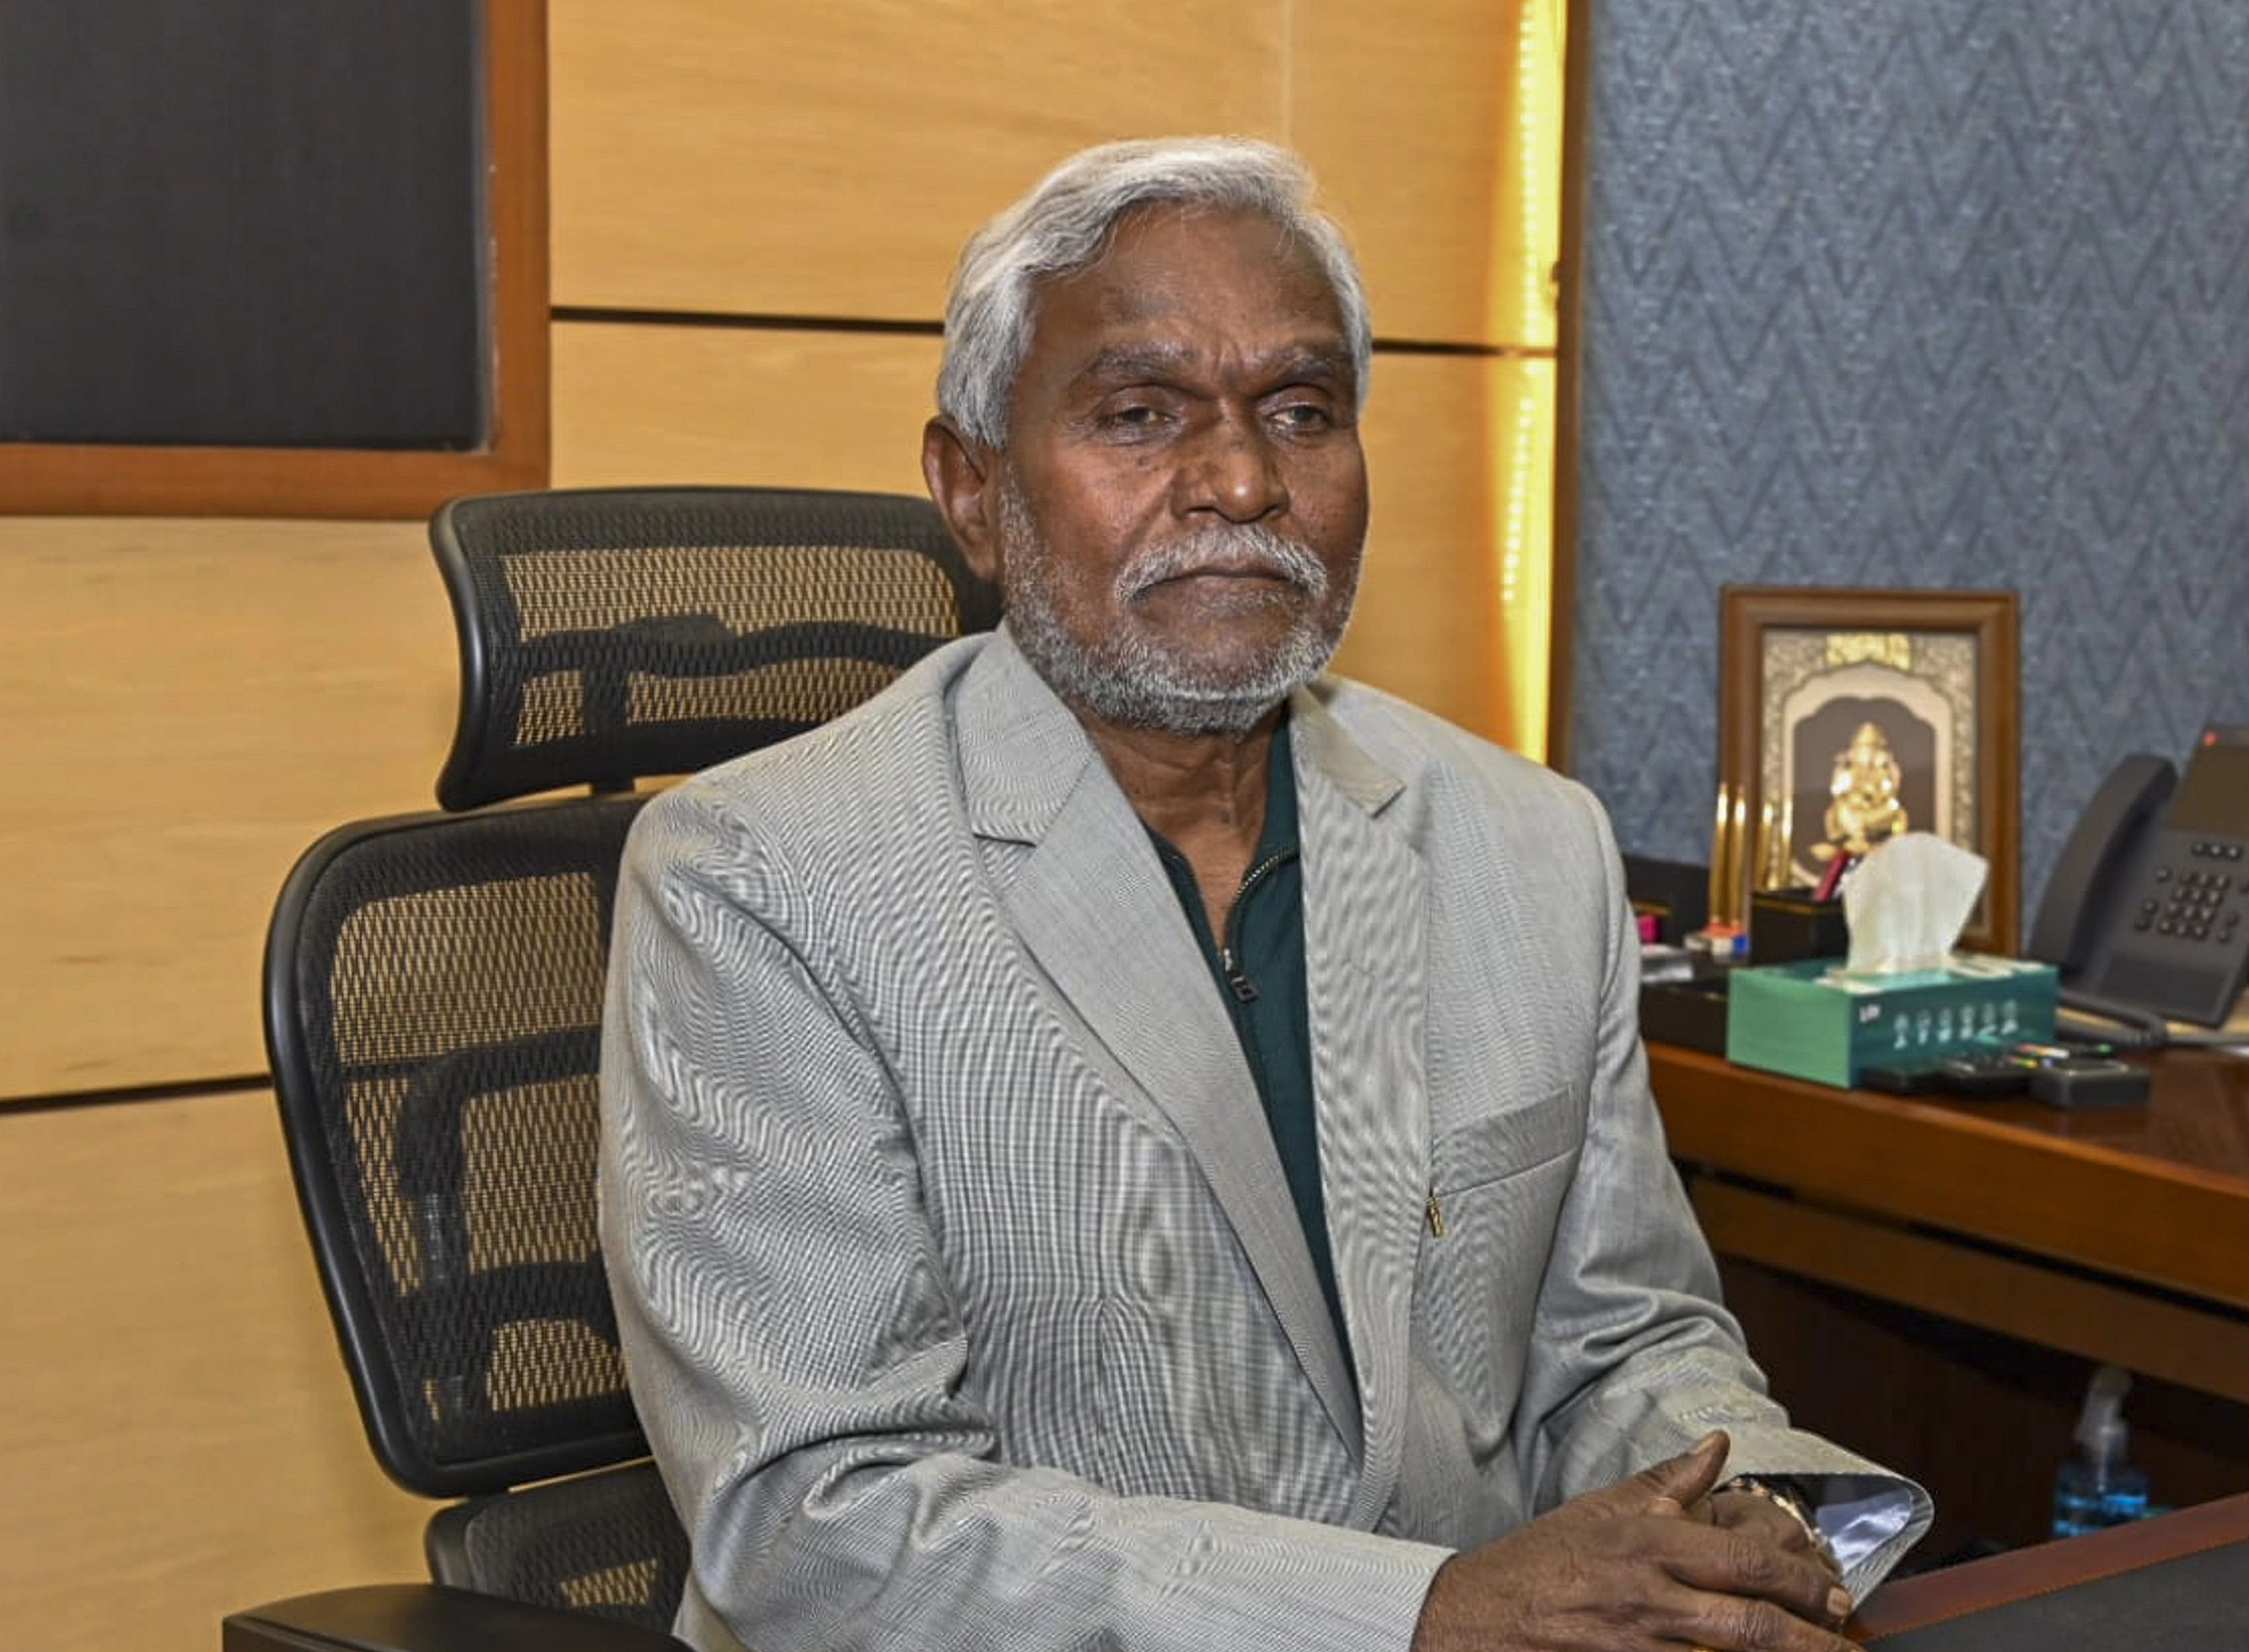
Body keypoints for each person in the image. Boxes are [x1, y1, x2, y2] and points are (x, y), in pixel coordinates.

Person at [599, 135, 1926, 1652]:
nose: (1239, 481)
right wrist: (1418, 1612)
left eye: (1301, 411)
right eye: (1138, 414)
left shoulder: (1530, 843)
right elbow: (816, 1525)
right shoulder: (766, 882)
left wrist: (1755, 1524)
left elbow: (1623, 1339)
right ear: (972, 489)